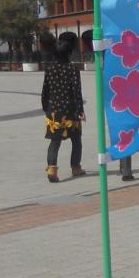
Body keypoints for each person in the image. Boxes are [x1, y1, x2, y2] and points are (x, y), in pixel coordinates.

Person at [42, 31, 85, 183]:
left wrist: (46, 108)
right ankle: (76, 167)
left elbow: (45, 90)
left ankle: (52, 168)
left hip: (54, 111)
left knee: (55, 141)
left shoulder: (50, 69)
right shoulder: (73, 70)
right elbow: (76, 92)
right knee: (76, 140)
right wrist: (80, 110)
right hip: (70, 110)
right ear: (69, 53)